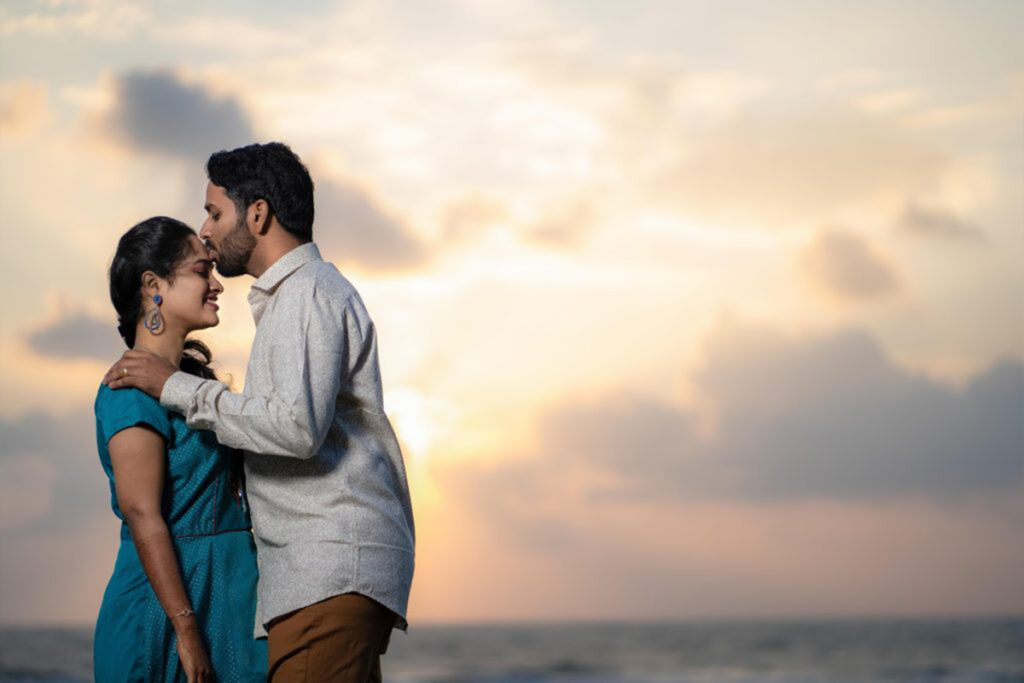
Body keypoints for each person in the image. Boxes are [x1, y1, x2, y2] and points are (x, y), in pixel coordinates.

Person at [103, 142, 416, 682]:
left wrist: (178, 387)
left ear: (258, 213)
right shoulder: (292, 302)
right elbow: (145, 510)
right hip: (301, 580)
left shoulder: (305, 296)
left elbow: (294, 427)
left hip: (325, 572)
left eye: (215, 212)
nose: (206, 228)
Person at [93, 216, 267, 682]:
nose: (217, 285)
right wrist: (187, 633)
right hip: (166, 613)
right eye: (200, 271)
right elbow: (143, 514)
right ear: (154, 286)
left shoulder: (196, 390)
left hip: (230, 594)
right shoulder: (129, 392)